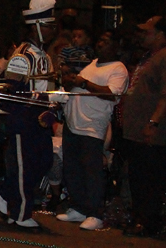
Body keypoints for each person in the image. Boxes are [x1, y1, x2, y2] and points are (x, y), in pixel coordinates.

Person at [0, 0, 56, 230]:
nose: (52, 31)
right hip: (23, 119)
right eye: (48, 26)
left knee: (43, 161)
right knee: (23, 166)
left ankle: (4, 191)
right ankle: (19, 212)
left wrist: (52, 102)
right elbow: (12, 91)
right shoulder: (22, 56)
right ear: (37, 26)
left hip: (40, 119)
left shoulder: (43, 56)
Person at [54, 31, 128, 231]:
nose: (100, 43)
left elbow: (112, 95)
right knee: (72, 168)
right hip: (73, 123)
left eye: (106, 41)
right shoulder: (92, 63)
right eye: (100, 39)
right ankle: (78, 207)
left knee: (91, 170)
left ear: (116, 46)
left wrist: (83, 83)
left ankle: (95, 213)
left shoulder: (118, 68)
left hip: (92, 126)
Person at [120, 15, 166, 238]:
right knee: (137, 175)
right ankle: (140, 217)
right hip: (136, 129)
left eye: (147, 32)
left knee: (149, 178)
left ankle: (148, 220)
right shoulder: (149, 57)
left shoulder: (164, 57)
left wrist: (153, 122)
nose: (141, 36)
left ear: (160, 35)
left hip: (151, 132)